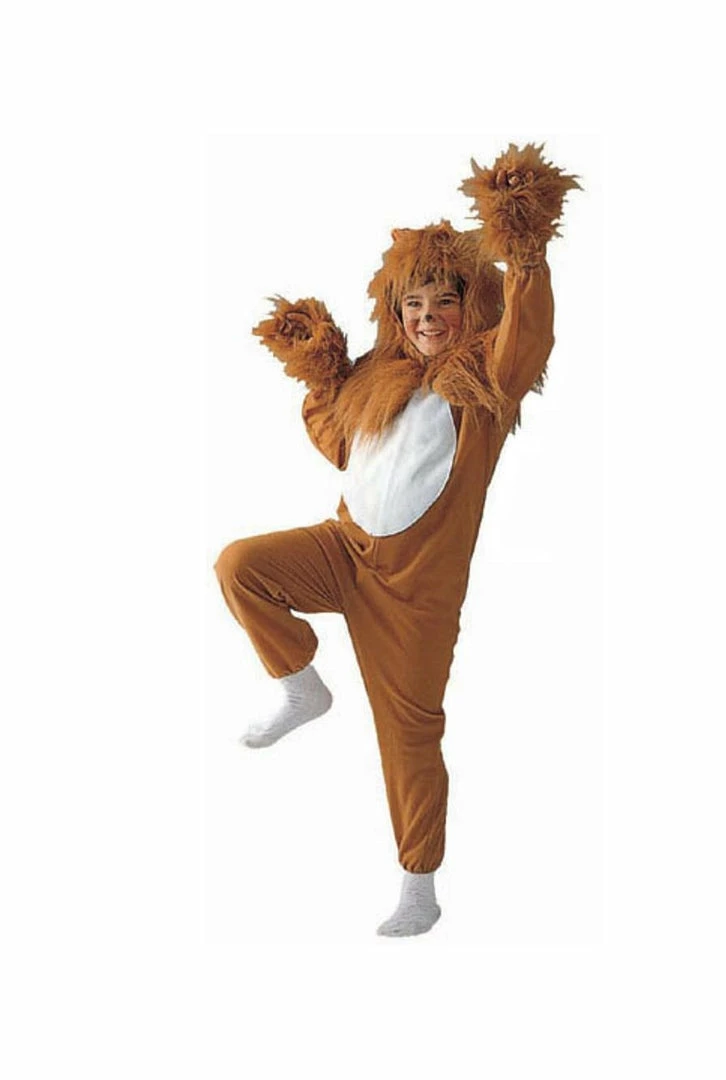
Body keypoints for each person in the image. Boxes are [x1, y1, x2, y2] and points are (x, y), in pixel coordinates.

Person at [213, 142, 581, 937]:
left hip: (415, 593)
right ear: (395, 311)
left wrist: (524, 252)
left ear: (470, 307)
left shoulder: (484, 382)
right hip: (341, 552)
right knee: (241, 565)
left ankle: (420, 884)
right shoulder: (379, 378)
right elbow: (338, 444)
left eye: (443, 302)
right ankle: (302, 686)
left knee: (409, 733)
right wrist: (321, 370)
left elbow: (528, 334)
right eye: (413, 304)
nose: (426, 318)